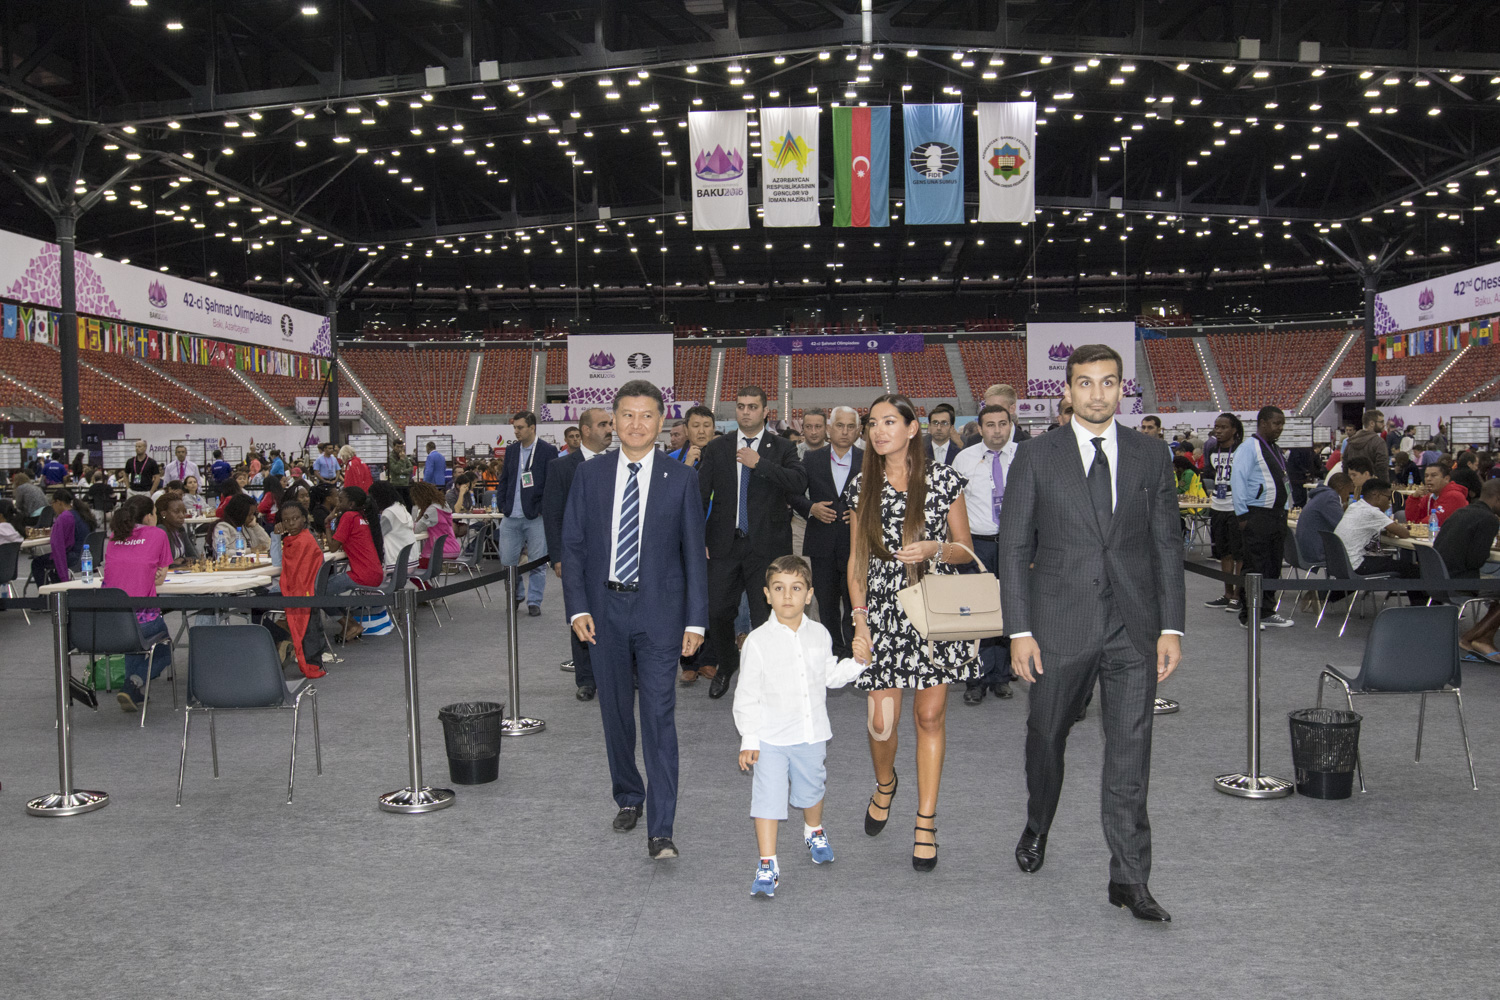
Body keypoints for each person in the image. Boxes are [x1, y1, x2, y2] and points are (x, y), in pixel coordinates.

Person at [995, 343, 1183, 922]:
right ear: (1067, 389)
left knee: (1130, 751)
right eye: (1085, 382)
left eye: (1107, 382)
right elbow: (1014, 547)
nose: (1097, 394)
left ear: (1122, 388)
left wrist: (1171, 626)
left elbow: (1166, 544)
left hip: (1133, 626)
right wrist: (1019, 630)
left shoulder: (1151, 454)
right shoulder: (1036, 455)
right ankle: (1038, 822)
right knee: (1046, 735)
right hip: (1058, 625)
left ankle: (1130, 877)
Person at [561, 379, 709, 861]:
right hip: (603, 614)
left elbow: (694, 554)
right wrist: (578, 608)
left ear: (661, 422)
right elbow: (574, 545)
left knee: (659, 716)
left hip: (661, 615)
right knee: (616, 714)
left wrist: (696, 621)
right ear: (614, 421)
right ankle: (628, 795)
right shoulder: (590, 475)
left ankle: (661, 828)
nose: (637, 424)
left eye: (647, 415)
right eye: (627, 415)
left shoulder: (681, 478)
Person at [847, 392, 977, 873]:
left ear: (911, 428)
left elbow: (965, 549)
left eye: (889, 422)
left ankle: (926, 821)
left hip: (932, 610)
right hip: (882, 612)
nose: (879, 431)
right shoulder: (863, 484)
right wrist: (860, 619)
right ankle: (886, 784)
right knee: (881, 723)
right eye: (873, 424)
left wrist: (933, 549)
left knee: (930, 717)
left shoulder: (943, 480)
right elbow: (857, 560)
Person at [734, 555, 870, 897]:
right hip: (770, 738)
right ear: (767, 595)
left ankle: (814, 830)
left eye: (796, 588)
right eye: (779, 588)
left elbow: (829, 676)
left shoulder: (820, 635)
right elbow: (746, 694)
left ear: (809, 595)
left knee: (812, 790)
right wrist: (750, 738)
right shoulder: (757, 642)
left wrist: (857, 663)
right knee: (767, 799)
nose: (787, 596)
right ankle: (768, 864)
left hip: (811, 735)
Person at [697, 385, 807, 700]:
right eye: (741, 406)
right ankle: (727, 663)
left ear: (765, 411)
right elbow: (700, 496)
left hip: (767, 548)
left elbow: (799, 482)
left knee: (764, 616)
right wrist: (699, 538)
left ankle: (764, 673)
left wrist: (760, 463)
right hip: (724, 545)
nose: (746, 412)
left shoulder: (782, 447)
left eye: (753, 406)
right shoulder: (718, 447)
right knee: (718, 611)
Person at [543, 407, 613, 702]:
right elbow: (552, 514)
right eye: (603, 424)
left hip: (616, 555)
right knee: (581, 612)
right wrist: (558, 557)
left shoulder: (619, 463)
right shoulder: (561, 468)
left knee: (620, 613)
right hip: (578, 556)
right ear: (585, 430)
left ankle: (627, 672)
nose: (610, 429)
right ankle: (586, 679)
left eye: (610, 424)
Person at [952, 403, 1018, 704]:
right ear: (980, 428)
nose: (997, 430)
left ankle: (1001, 677)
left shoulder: (1023, 456)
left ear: (1010, 425)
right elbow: (951, 505)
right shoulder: (964, 459)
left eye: (1002, 424)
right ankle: (975, 680)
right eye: (990, 425)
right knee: (976, 613)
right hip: (977, 545)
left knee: (1007, 610)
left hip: (1013, 544)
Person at [790, 405, 863, 664]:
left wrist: (862, 513)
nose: (844, 431)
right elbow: (793, 493)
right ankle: (834, 652)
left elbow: (880, 497)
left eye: (850, 426)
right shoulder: (811, 459)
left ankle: (854, 651)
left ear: (858, 430)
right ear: (830, 429)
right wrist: (811, 508)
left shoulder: (869, 459)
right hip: (821, 542)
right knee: (826, 603)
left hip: (855, 544)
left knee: (854, 602)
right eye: (839, 426)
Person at [101, 495, 174, 712]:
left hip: (112, 619)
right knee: (165, 650)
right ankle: (133, 682)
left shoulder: (115, 536)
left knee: (133, 644)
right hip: (143, 617)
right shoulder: (158, 534)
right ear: (149, 516)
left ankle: (132, 693)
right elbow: (159, 579)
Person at [666, 405, 720, 684]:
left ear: (714, 428)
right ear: (686, 430)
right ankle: (687, 661)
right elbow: (665, 501)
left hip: (714, 540)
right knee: (683, 600)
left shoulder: (724, 458)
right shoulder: (671, 460)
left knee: (712, 600)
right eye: (695, 426)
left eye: (706, 425)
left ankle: (709, 658)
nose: (701, 431)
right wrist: (686, 466)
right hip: (678, 541)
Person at [1231, 406, 1294, 629]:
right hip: (1257, 514)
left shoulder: (1275, 448)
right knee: (1255, 565)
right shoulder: (1249, 447)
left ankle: (1267, 611)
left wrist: (1286, 507)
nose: (1280, 428)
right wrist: (1242, 514)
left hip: (1277, 515)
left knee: (1273, 565)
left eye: (1282, 424)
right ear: (1263, 423)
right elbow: (1238, 479)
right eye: (1276, 423)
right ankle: (1249, 615)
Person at [497, 410, 557, 616]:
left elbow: (551, 484)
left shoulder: (548, 450)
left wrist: (541, 509)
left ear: (532, 428)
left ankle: (534, 601)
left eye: (520, 427)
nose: (516, 431)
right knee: (507, 562)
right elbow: (504, 479)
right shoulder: (512, 450)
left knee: (537, 562)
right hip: (510, 515)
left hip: (535, 517)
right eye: (514, 427)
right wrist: (502, 504)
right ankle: (517, 595)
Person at [273, 500, 329, 678]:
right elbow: (280, 564)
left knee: (259, 602)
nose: (291, 523)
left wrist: (276, 539)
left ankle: (281, 644)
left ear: (304, 518)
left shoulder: (303, 541)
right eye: (286, 520)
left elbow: (285, 566)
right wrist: (276, 536)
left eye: (295, 518)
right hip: (305, 591)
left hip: (302, 593)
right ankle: (283, 645)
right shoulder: (297, 538)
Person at [324, 486, 385, 640]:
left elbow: (333, 547)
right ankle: (351, 623)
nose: (338, 503)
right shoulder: (361, 517)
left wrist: (327, 523)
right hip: (374, 572)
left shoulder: (348, 516)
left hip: (362, 575)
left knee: (319, 591)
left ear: (351, 504)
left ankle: (349, 625)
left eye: (341, 500)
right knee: (327, 588)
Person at [1201, 412, 1245, 611]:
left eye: (1223, 427)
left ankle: (1238, 595)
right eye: (1216, 427)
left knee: (1239, 554)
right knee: (1224, 553)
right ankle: (1227, 593)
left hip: (1236, 507)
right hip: (1218, 506)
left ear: (1234, 430)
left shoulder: (1242, 451)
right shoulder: (1213, 451)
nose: (1218, 431)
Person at [1334, 479, 1411, 575]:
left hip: (1341, 563)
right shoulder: (1372, 512)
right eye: (1388, 498)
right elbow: (1405, 533)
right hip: (1356, 565)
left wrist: (1388, 530)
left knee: (1391, 562)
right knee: (1410, 568)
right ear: (1377, 495)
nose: (1389, 502)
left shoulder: (1354, 506)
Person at [30, 488, 94, 590]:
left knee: (37, 563)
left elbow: (57, 547)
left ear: (59, 502)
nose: (52, 507)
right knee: (52, 566)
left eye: (52, 503)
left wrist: (64, 577)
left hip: (74, 558)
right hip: (87, 555)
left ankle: (44, 593)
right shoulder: (81, 514)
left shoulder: (64, 517)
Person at [1296, 472, 1354, 565]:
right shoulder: (1330, 498)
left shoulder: (1322, 495)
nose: (1348, 496)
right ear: (1340, 486)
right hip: (1316, 552)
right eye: (1349, 492)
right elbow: (1344, 526)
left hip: (1305, 550)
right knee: (1356, 555)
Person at [411, 481, 461, 569]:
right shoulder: (443, 505)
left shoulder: (432, 510)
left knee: (411, 568)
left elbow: (417, 529)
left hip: (440, 552)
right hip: (452, 548)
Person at [1405, 460, 1468, 528]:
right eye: (1426, 476)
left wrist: (1416, 525)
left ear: (1446, 479)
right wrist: (1414, 498)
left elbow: (1434, 522)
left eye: (1433, 475)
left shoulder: (1455, 496)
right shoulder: (1429, 496)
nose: (1428, 479)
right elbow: (1411, 520)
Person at [962, 384, 1031, 446]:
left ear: (1012, 409)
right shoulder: (973, 441)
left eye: (997, 407)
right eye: (988, 407)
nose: (990, 411)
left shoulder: (1028, 443)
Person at [370, 481, 416, 567]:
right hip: (411, 560)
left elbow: (377, 536)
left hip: (396, 564)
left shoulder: (389, 513)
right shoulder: (400, 507)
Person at [155, 491, 200, 565]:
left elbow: (195, 557)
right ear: (163, 514)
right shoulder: (161, 531)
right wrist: (173, 563)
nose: (182, 516)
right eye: (176, 512)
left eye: (184, 512)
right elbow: (158, 563)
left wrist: (183, 560)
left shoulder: (180, 529)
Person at [1343, 410, 1390, 478]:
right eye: (1381, 422)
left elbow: (1345, 465)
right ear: (1372, 423)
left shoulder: (1351, 442)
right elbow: (1382, 467)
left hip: (1353, 482)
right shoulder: (1379, 442)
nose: (1384, 424)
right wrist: (1385, 483)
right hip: (1372, 483)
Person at [387, 442, 414, 507]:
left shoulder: (405, 456)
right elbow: (395, 469)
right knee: (398, 505)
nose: (399, 449)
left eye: (401, 447)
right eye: (397, 447)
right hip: (396, 485)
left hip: (405, 484)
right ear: (394, 447)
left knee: (409, 504)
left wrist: (403, 471)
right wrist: (401, 460)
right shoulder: (391, 457)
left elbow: (411, 468)